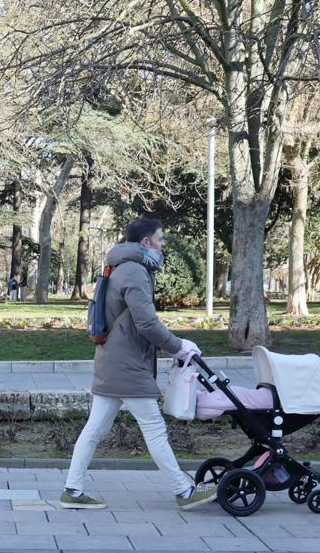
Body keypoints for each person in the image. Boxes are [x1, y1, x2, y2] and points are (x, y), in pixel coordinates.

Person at [61, 217, 217, 511]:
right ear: (145, 242)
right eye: (160, 240)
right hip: (128, 364)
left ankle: (73, 490)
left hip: (112, 361)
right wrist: (178, 346)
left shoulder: (119, 266)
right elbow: (146, 322)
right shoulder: (134, 271)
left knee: (93, 430)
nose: (163, 245)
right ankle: (184, 491)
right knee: (155, 429)